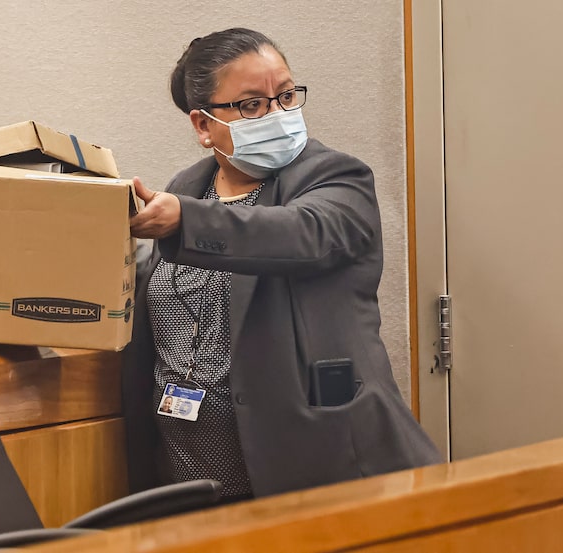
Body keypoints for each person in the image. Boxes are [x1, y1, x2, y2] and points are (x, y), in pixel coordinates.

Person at [124, 27, 441, 502]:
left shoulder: (337, 178)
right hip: (191, 478)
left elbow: (301, 235)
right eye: (252, 104)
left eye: (286, 96)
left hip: (314, 469)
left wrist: (184, 222)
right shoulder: (185, 189)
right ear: (204, 125)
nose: (278, 114)